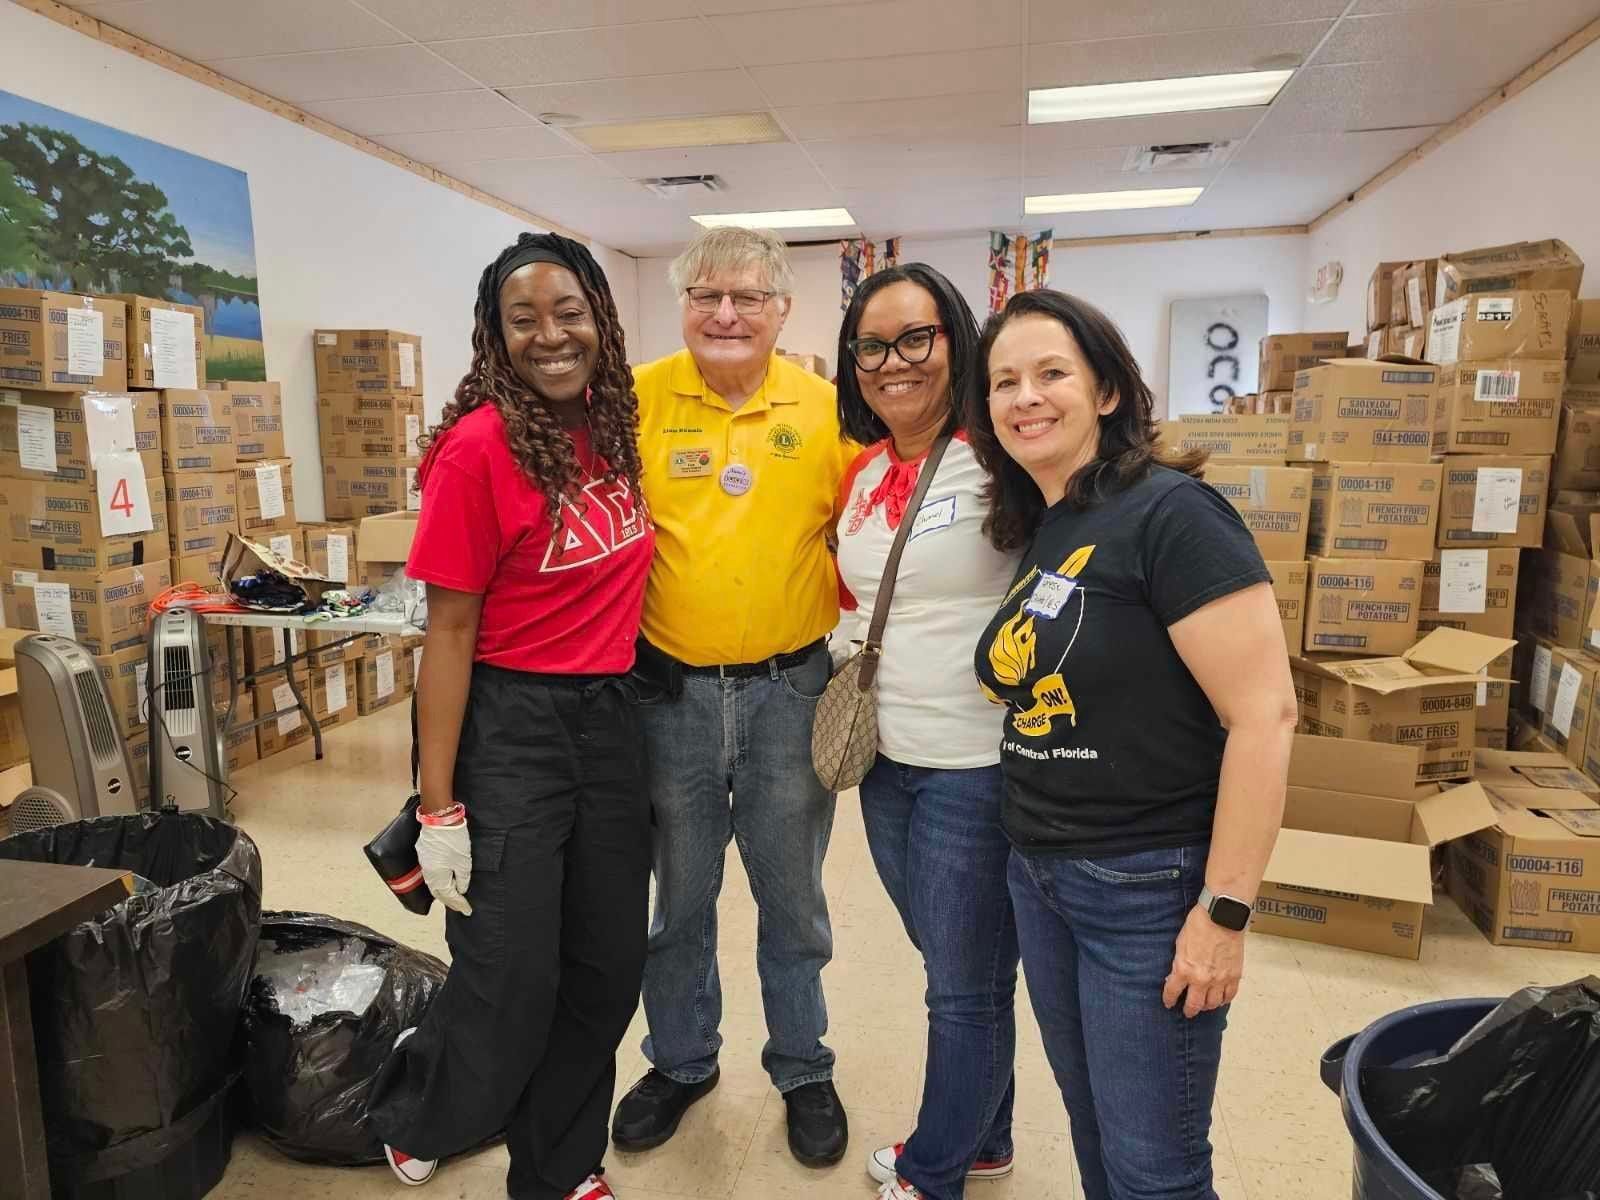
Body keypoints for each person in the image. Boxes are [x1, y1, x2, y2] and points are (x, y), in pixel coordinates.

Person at [967, 290, 1295, 1200]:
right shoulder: (1052, 522)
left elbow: (1265, 717)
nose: (1025, 397)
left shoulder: (1174, 514)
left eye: (1051, 374)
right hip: (1042, 872)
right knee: (1090, 1120)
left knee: (1156, 1164)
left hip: (1147, 887)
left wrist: (1224, 915)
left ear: (1107, 390)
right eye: (1003, 383)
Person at [365, 233, 654, 1200]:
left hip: (612, 721)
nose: (550, 335)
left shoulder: (616, 427)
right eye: (522, 318)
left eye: (568, 311)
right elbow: (447, 636)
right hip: (512, 725)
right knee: (507, 972)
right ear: (494, 334)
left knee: (606, 968)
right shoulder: (478, 448)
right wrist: (438, 806)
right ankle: (424, 1111)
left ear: (601, 318)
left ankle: (560, 1164)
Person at [610, 226, 856, 1166]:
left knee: (793, 900)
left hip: (791, 692)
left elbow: (864, 532)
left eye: (748, 297)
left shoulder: (826, 410)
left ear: (783, 309)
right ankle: (681, 1060)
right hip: (665, 695)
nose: (725, 312)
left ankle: (802, 1064)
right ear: (681, 306)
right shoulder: (634, 399)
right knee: (680, 902)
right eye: (707, 294)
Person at [830, 264, 1022, 1200]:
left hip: (974, 765)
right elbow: (869, 594)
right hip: (886, 760)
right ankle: (991, 1134)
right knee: (960, 963)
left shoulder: (1000, 456)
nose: (893, 362)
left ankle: (934, 1169)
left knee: (962, 985)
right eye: (873, 344)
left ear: (957, 340)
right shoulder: (865, 471)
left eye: (918, 338)